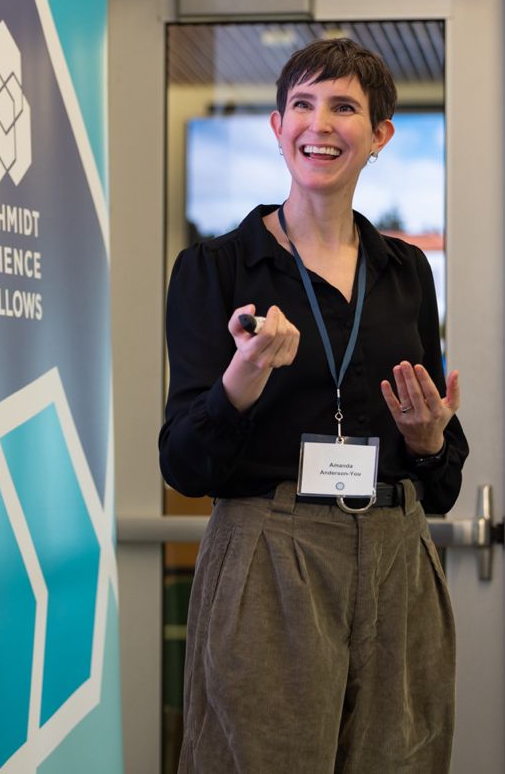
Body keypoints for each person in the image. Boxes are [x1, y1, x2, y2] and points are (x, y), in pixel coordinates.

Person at [161, 38, 468, 773]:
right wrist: (243, 378)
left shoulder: (407, 274)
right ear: (277, 126)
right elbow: (183, 463)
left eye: (343, 107)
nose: (318, 124)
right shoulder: (218, 269)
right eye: (302, 105)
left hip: (396, 552)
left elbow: (444, 485)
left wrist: (429, 440)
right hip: (271, 554)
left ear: (380, 136)